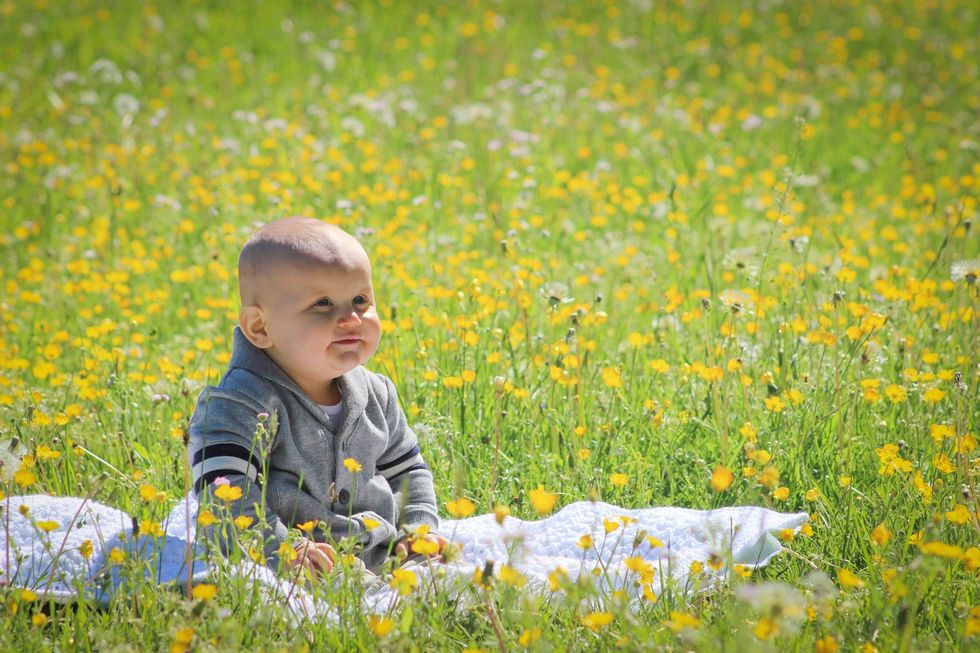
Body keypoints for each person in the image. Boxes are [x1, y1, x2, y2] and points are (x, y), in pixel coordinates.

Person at [187, 216, 446, 579]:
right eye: (323, 303)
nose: (351, 318)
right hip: (297, 567)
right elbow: (223, 491)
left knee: (453, 583)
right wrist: (280, 549)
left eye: (360, 300)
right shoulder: (239, 403)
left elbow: (408, 472)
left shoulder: (377, 394)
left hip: (379, 554)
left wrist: (417, 528)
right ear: (260, 327)